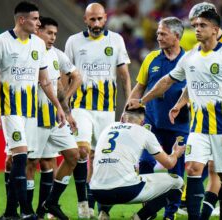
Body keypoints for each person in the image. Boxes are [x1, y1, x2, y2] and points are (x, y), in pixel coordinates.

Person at [129, 9, 222, 219]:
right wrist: (145, 101)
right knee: (192, 169)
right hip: (197, 127)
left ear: (215, 30)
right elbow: (169, 81)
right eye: (196, 25)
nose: (198, 29)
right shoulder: (191, 56)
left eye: (203, 26)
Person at [0, 1, 66, 219]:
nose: (38, 23)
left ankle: (11, 213)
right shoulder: (1, 42)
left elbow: (45, 81)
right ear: (22, 20)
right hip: (11, 110)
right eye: (35, 19)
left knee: (16, 160)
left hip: (31, 113)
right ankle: (27, 212)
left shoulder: (38, 45)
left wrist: (58, 106)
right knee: (21, 158)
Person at [64, 2, 132, 218]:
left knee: (101, 159)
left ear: (105, 18)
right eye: (92, 19)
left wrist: (129, 104)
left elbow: (124, 75)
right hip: (81, 107)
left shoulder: (116, 40)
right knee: (82, 152)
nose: (96, 23)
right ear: (85, 19)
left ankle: (97, 206)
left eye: (100, 19)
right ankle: (83, 203)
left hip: (106, 110)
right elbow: (66, 75)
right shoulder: (73, 41)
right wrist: (64, 106)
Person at [128, 17, 188, 220]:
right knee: (145, 163)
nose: (158, 37)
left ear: (177, 36)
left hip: (179, 126)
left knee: (177, 170)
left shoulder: (189, 60)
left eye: (163, 33)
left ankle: (170, 214)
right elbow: (139, 86)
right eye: (158, 33)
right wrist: (129, 108)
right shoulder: (151, 58)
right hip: (151, 124)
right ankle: (150, 209)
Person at [23, 16, 81, 220]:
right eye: (49, 33)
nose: (53, 37)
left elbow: (60, 85)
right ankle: (27, 211)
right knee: (31, 163)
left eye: (55, 34)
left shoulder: (56, 55)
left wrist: (67, 110)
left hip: (55, 118)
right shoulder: (28, 52)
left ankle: (51, 203)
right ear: (38, 31)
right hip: (35, 117)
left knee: (74, 155)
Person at [89, 106, 185, 220]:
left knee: (109, 172)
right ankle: (139, 217)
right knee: (178, 182)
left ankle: (103, 212)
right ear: (143, 122)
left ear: (122, 118)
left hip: (96, 192)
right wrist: (176, 153)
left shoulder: (107, 128)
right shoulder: (144, 132)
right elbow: (169, 164)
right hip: (126, 191)